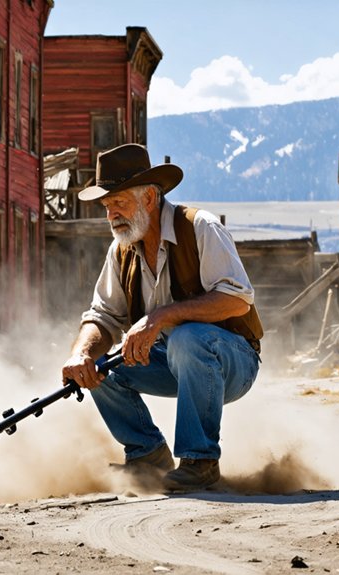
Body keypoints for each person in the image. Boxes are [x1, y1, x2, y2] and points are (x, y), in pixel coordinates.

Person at [62, 143, 263, 491]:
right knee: (100, 364)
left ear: (150, 199)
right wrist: (81, 353)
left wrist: (160, 317)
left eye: (119, 202)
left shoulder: (201, 228)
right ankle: (147, 455)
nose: (112, 215)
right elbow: (103, 315)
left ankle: (199, 461)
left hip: (231, 361)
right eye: (108, 206)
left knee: (187, 338)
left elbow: (238, 300)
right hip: (171, 362)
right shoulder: (121, 248)